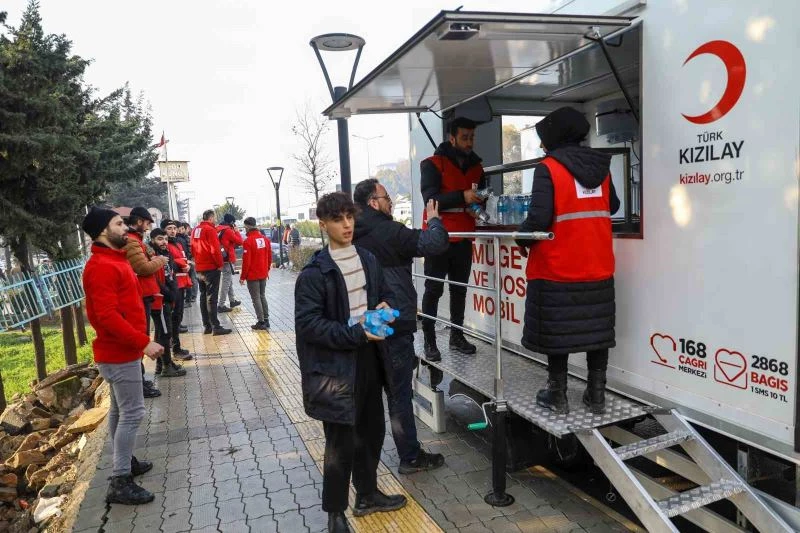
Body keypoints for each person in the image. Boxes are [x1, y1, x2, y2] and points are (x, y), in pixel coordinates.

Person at [295, 192, 406, 533]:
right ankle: (335, 514)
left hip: (371, 358)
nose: (347, 225)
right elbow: (310, 326)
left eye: (350, 217)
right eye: (338, 219)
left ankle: (368, 495)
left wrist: (385, 305)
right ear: (323, 224)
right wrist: (357, 333)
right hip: (336, 368)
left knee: (372, 431)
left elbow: (383, 292)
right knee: (340, 443)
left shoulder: (368, 259)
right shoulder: (316, 273)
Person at [516, 106, 620, 415]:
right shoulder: (601, 167)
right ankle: (596, 394)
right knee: (596, 329)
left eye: (543, 139)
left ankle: (557, 395)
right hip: (598, 263)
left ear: (554, 138)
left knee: (557, 329)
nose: (541, 146)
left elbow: (538, 218)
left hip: (558, 266)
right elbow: (612, 205)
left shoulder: (548, 168)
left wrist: (521, 237)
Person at [353, 179, 449, 474]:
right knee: (398, 393)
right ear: (373, 201)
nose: (390, 202)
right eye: (386, 197)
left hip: (366, 323)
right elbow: (434, 244)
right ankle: (410, 456)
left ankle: (369, 467)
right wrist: (434, 222)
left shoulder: (353, 231)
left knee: (375, 393)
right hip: (394, 320)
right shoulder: (389, 231)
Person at [81, 207, 163, 505]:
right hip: (119, 353)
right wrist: (143, 342)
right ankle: (119, 480)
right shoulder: (102, 266)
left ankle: (125, 461)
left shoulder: (114, 259)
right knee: (133, 413)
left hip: (122, 351)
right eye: (118, 224)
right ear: (104, 230)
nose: (125, 228)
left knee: (119, 411)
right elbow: (106, 316)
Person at [420, 116, 487, 361]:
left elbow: (481, 197)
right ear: (452, 138)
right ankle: (429, 339)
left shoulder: (478, 167)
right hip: (438, 237)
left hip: (465, 235)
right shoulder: (432, 164)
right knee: (433, 289)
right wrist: (463, 196)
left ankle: (456, 336)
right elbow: (431, 200)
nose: (469, 142)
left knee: (459, 290)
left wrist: (478, 205)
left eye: (472, 137)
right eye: (464, 137)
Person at [123, 206, 166, 399]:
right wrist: (160, 260)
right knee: (139, 338)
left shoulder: (137, 241)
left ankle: (139, 380)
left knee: (142, 335)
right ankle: (138, 383)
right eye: (147, 223)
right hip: (139, 295)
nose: (148, 227)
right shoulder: (132, 243)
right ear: (139, 221)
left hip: (145, 294)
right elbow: (142, 267)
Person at [148, 228, 187, 378]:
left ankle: (163, 363)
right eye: (159, 239)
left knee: (162, 332)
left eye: (165, 239)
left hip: (168, 298)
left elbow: (170, 275)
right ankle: (166, 366)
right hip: (161, 300)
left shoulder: (166, 255)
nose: (164, 242)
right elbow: (156, 280)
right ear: (152, 240)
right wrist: (169, 294)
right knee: (165, 333)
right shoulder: (153, 257)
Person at [191, 210, 232, 336]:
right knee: (212, 298)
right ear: (211, 218)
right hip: (211, 267)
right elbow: (215, 249)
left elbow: (192, 248)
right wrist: (219, 265)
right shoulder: (210, 230)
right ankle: (216, 326)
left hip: (199, 267)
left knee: (203, 296)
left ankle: (207, 325)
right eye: (214, 218)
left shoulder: (195, 230)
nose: (215, 220)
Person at [162, 220, 193, 358]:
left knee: (178, 317)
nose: (173, 231)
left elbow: (184, 259)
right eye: (169, 228)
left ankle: (176, 347)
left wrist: (188, 266)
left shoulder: (178, 243)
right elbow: (169, 264)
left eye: (174, 228)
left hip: (181, 284)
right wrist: (182, 266)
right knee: (173, 319)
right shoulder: (165, 245)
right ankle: (175, 349)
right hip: (173, 286)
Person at [239, 217, 270, 329]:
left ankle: (261, 322)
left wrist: (243, 277)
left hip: (253, 275)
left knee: (256, 298)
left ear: (247, 226)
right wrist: (267, 270)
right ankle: (266, 320)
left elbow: (246, 261)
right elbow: (269, 257)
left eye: (244, 227)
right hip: (263, 273)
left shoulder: (248, 241)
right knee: (262, 295)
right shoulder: (265, 239)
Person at [217, 213, 243, 312]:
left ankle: (232, 300)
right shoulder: (228, 231)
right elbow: (240, 242)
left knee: (228, 280)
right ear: (231, 222)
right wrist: (236, 231)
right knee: (226, 281)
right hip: (227, 258)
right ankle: (221, 304)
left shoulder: (218, 229)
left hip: (222, 257)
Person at [177, 222, 197, 305]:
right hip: (190, 261)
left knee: (190, 279)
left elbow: (185, 251)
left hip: (187, 261)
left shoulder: (180, 239)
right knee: (192, 279)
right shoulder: (187, 238)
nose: (181, 230)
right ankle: (193, 296)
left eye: (182, 229)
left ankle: (190, 297)